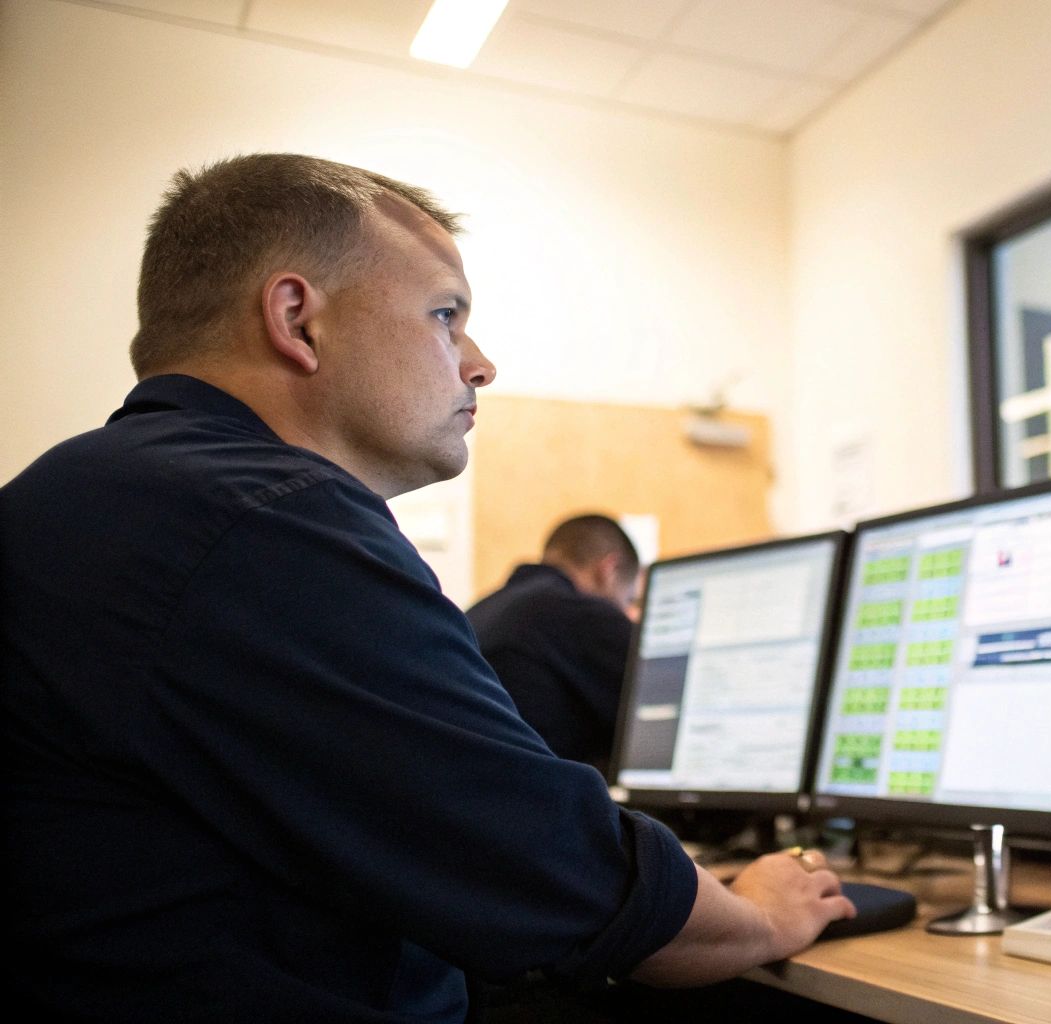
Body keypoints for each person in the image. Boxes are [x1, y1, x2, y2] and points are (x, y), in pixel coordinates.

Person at [0, 154, 853, 1022]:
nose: (480, 364)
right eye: (446, 315)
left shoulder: (95, 492)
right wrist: (761, 913)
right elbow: (555, 868)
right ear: (298, 320)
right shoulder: (264, 521)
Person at [467, 514, 641, 767]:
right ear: (609, 569)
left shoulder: (480, 609)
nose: (624, 612)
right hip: (527, 792)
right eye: (628, 599)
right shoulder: (583, 614)